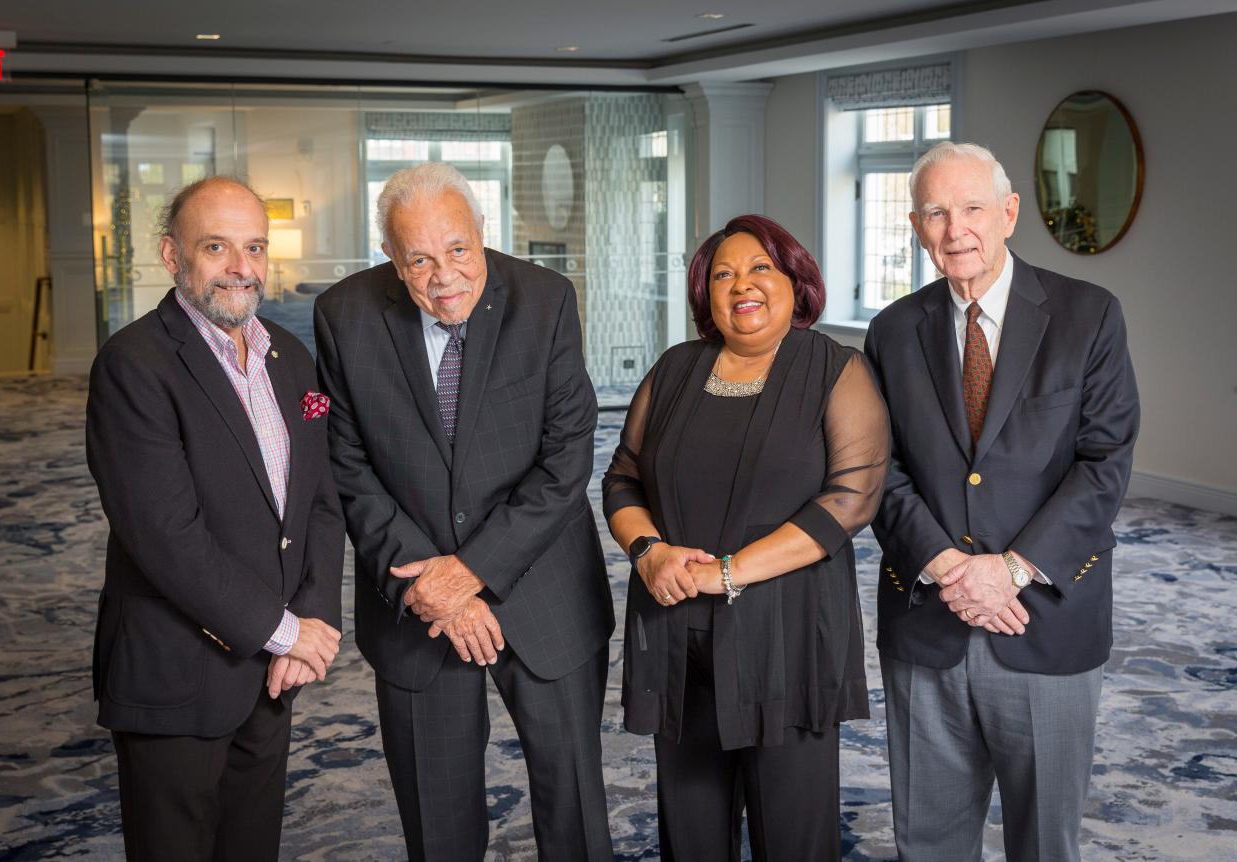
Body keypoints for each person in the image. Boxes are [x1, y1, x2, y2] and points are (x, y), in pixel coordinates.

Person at [314, 163, 615, 861]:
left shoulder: (544, 299)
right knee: (437, 820)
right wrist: (436, 591)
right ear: (390, 255)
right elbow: (347, 466)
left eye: (457, 250)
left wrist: (473, 570)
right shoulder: (345, 315)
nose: (443, 275)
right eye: (417, 258)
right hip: (417, 600)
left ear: (483, 232)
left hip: (543, 589)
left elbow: (568, 455)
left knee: (573, 808)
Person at [864, 141, 1140, 861]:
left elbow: (1103, 463)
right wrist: (951, 568)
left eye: (972, 208)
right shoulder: (892, 331)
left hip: (1045, 617)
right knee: (926, 840)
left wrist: (1009, 569)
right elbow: (876, 469)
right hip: (927, 619)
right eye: (934, 212)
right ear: (917, 226)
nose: (955, 229)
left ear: (1009, 213)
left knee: (1045, 841)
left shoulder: (1088, 316)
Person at [602, 214, 889, 861]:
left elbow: (849, 501)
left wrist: (723, 572)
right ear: (705, 294)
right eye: (723, 274)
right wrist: (648, 554)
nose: (741, 286)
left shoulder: (834, 370)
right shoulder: (674, 369)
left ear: (795, 281)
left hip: (785, 638)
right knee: (691, 830)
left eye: (760, 268)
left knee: (792, 834)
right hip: (677, 633)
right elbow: (622, 478)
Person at [85, 176, 344, 861]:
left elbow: (319, 500)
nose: (241, 266)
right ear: (173, 257)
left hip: (271, 674)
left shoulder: (291, 361)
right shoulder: (134, 366)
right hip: (179, 674)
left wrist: (313, 621)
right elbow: (167, 539)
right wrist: (286, 632)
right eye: (217, 246)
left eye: (254, 247)